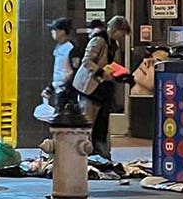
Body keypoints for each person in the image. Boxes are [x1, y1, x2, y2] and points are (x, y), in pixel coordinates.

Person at [75, 16, 132, 160]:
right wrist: (101, 72)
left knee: (102, 121)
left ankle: (101, 153)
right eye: (122, 32)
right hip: (90, 87)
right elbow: (87, 61)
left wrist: (122, 76)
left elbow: (112, 64)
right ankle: (86, 152)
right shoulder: (99, 40)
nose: (122, 36)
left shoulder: (114, 44)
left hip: (103, 88)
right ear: (115, 29)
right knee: (88, 122)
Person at [48, 18, 77, 108]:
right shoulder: (59, 47)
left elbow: (73, 71)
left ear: (62, 32)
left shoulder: (71, 48)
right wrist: (50, 88)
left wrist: (66, 89)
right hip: (59, 89)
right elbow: (58, 70)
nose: (52, 32)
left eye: (54, 29)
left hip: (66, 92)